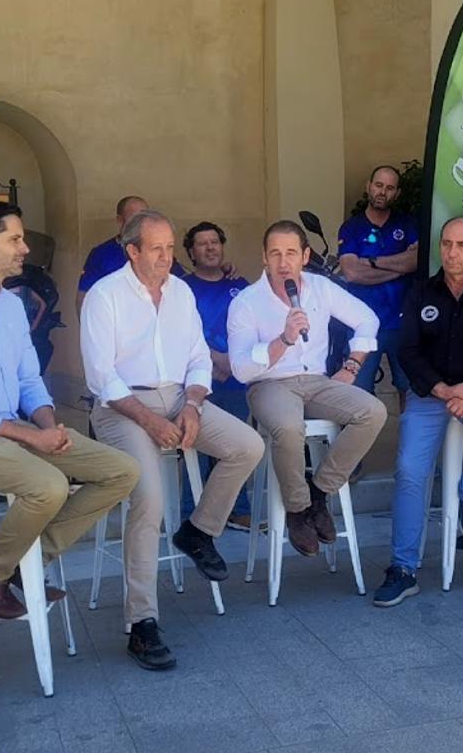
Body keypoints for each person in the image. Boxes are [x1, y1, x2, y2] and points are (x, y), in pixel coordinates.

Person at [0, 202, 139, 621]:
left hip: (11, 428)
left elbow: (29, 380)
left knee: (121, 471)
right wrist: (31, 437)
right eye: (14, 239)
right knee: (50, 486)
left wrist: (49, 427)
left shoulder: (11, 305)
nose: (24, 249)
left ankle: (23, 559)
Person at [81, 209, 264, 671]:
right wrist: (151, 421)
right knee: (150, 499)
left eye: (169, 247)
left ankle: (197, 531)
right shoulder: (105, 296)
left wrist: (193, 406)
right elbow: (103, 378)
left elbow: (199, 358)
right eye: (157, 249)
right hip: (123, 407)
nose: (167, 257)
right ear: (133, 251)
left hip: (179, 399)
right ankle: (142, 623)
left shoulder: (180, 292)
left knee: (248, 445)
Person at [373, 217, 463, 607]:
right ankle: (403, 569)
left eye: (460, 245)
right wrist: (443, 389)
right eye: (446, 244)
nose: (452, 253)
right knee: (409, 470)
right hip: (431, 394)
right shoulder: (421, 293)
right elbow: (408, 352)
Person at [227, 220, 387, 558]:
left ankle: (318, 493)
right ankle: (297, 511)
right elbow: (241, 370)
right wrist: (283, 339)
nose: (283, 262)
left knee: (372, 411)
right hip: (270, 384)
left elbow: (368, 319)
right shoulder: (246, 302)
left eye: (290, 253)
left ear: (305, 255)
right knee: (288, 427)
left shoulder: (321, 288)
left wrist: (351, 366)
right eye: (275, 254)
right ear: (264, 259)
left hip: (316, 381)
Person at [180, 221, 255, 530]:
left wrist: (232, 362)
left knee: (237, 446)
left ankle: (237, 509)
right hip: (199, 380)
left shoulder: (241, 284)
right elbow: (182, 332)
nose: (210, 248)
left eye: (215, 242)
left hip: (237, 380)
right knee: (194, 445)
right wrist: (216, 360)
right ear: (191, 252)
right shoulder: (181, 288)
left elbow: (255, 326)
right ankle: (191, 510)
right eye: (202, 243)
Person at [336, 165, 418, 410]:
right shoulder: (351, 227)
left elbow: (414, 261)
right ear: (368, 187)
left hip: (402, 323)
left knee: (410, 392)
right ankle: (362, 449)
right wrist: (398, 266)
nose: (383, 192)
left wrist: (373, 262)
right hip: (362, 325)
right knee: (359, 396)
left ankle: (408, 447)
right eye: (379, 185)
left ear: (397, 193)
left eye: (390, 187)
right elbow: (351, 272)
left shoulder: (408, 224)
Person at [76, 196, 184, 312]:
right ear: (120, 220)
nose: (141, 223)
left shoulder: (162, 254)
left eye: (145, 217)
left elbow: (179, 288)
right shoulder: (101, 254)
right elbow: (84, 298)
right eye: (135, 219)